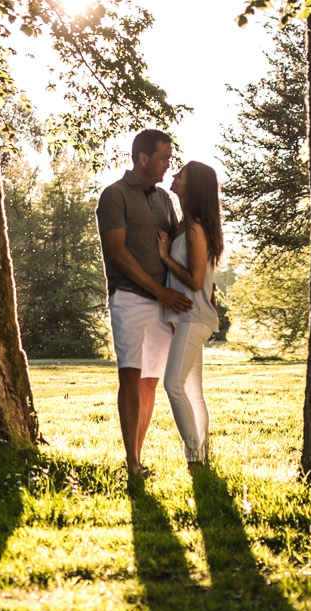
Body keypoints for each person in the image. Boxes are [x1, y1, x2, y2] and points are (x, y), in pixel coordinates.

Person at [96, 128, 191, 477]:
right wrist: (159, 290)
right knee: (131, 378)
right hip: (130, 299)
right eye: (164, 158)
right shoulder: (114, 196)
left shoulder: (163, 198)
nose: (168, 164)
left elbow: (180, 238)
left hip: (162, 304)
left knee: (151, 381)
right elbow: (117, 253)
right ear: (142, 158)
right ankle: (132, 462)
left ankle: (138, 457)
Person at [161, 161, 225, 467]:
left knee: (173, 384)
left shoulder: (195, 227)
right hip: (189, 316)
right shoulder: (185, 224)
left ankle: (194, 456)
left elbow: (197, 280)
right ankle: (203, 454)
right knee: (192, 390)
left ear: (193, 185)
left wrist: (164, 257)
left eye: (180, 174)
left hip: (192, 316)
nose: (174, 176)